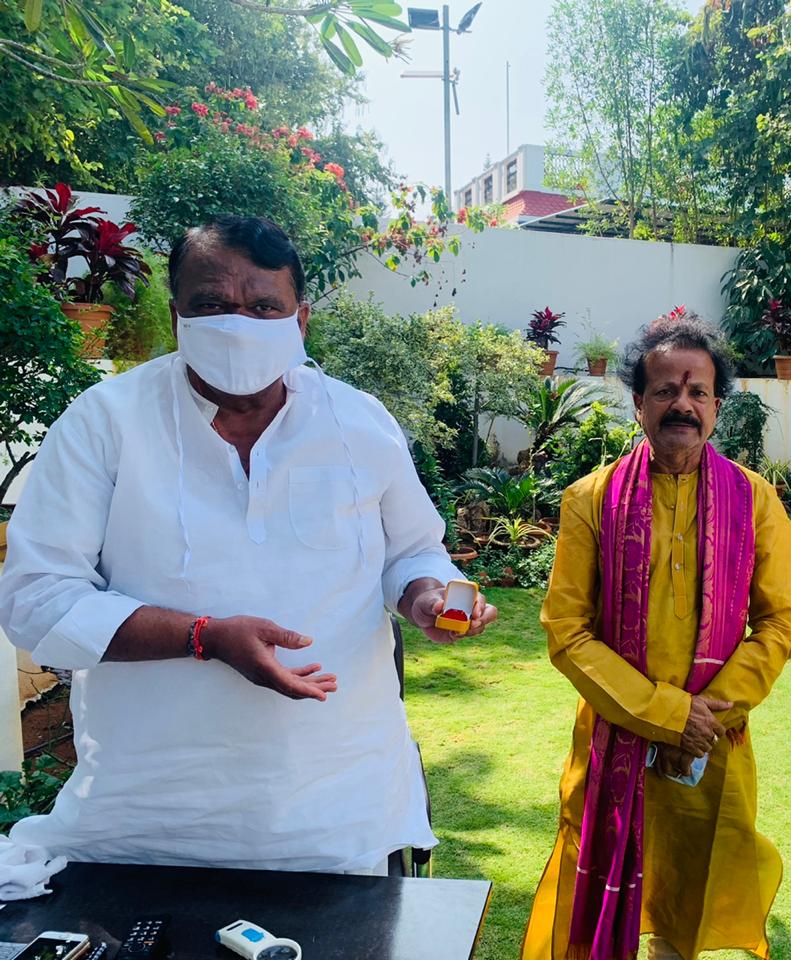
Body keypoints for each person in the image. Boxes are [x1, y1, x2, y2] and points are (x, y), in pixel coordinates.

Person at [0, 215, 497, 873]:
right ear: (177, 317)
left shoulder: (358, 422)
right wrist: (203, 637)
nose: (238, 325)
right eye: (212, 305)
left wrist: (428, 596)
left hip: (338, 813)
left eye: (264, 306)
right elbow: (37, 600)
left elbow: (412, 551)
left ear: (301, 319)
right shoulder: (105, 423)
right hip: (150, 821)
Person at [521, 314, 791, 960]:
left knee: (684, 917)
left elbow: (780, 623)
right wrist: (671, 717)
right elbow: (566, 633)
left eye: (697, 391)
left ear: (717, 406)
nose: (683, 404)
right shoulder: (589, 500)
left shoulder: (756, 502)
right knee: (592, 916)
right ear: (639, 404)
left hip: (710, 758)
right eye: (666, 391)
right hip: (614, 748)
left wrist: (701, 722)